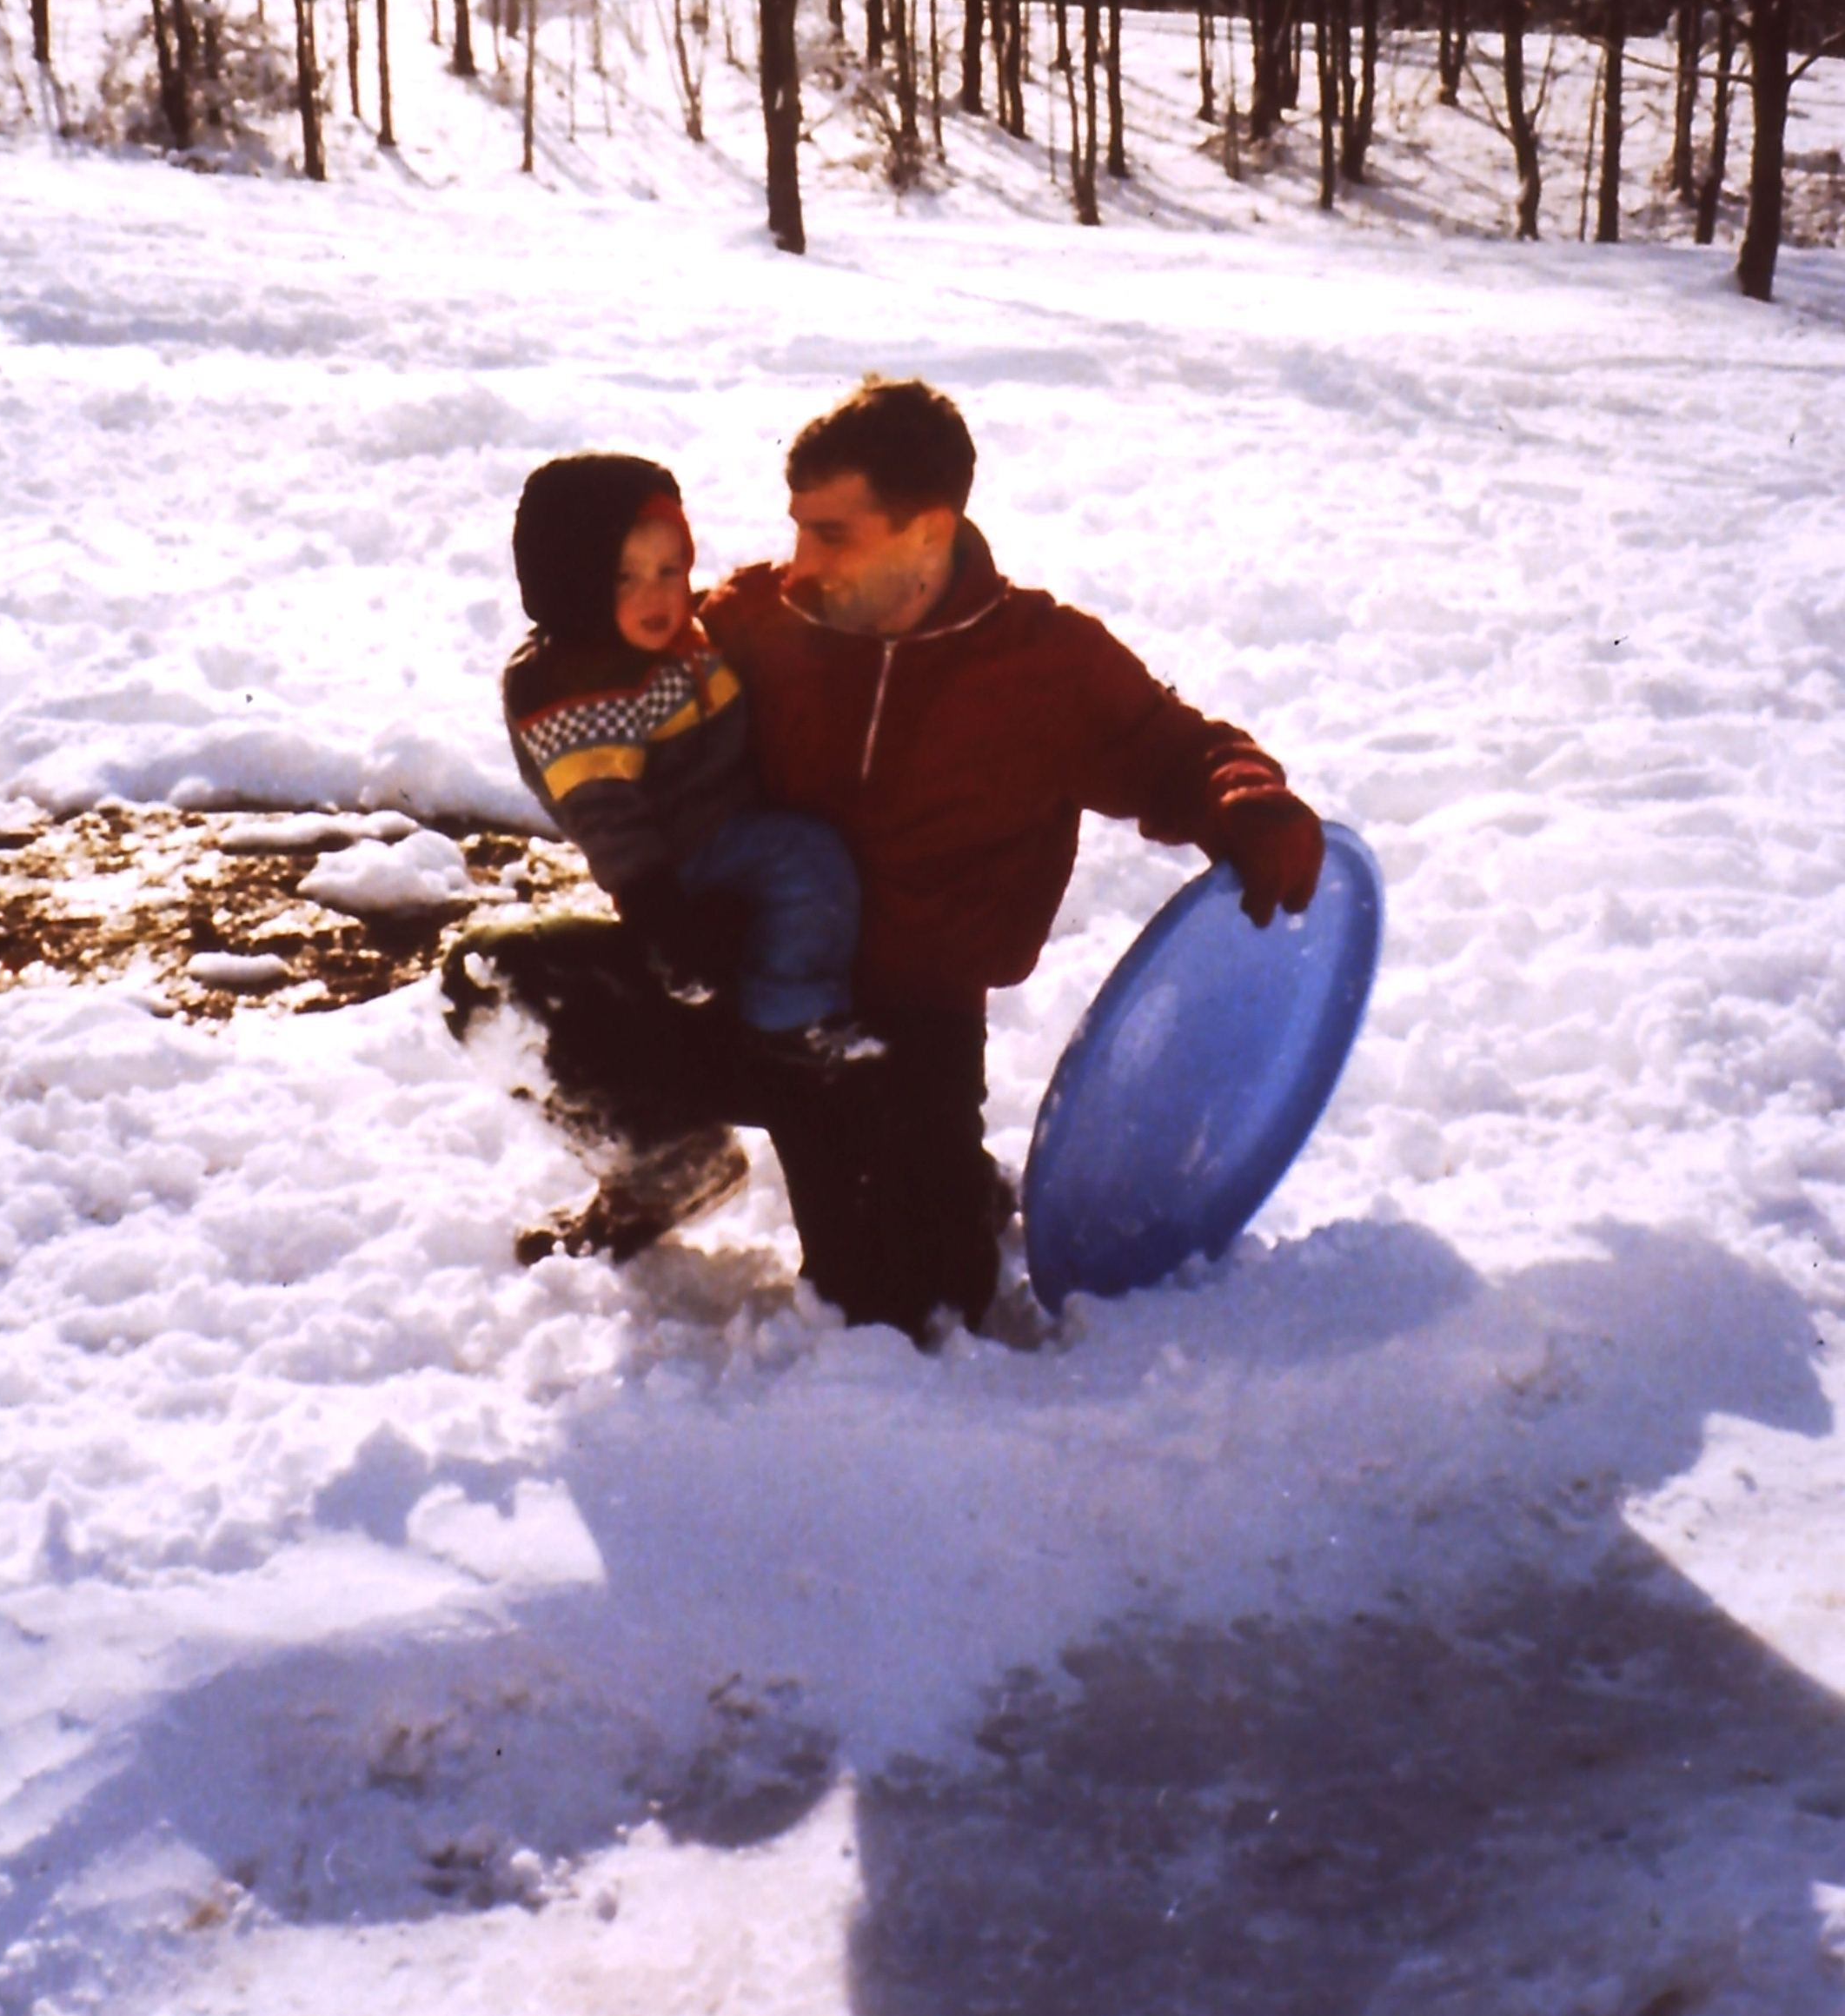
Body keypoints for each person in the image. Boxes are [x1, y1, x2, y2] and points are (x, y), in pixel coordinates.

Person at [448, 384, 1323, 1340]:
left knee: (907, 1315)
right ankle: (669, 1165)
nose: (799, 563)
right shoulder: (759, 620)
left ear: (927, 531)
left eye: (832, 535)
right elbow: (607, 652)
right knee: (493, 980)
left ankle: (944, 1179)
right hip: (729, 971)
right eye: (797, 530)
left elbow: (1178, 752)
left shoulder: (1043, 664)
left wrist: (1251, 799)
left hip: (897, 1038)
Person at [496, 455, 868, 1261]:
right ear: (574, 586)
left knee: (811, 863)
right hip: (689, 857)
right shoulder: (579, 694)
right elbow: (612, 822)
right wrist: (660, 913)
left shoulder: (659, 644)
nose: (660, 594)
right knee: (807, 861)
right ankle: (789, 1022)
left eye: (672, 569)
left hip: (724, 824)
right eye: (626, 577)